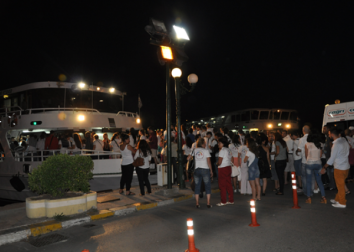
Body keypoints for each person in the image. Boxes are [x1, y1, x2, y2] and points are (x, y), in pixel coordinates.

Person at [321, 128, 350, 208]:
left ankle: (342, 203)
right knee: (340, 184)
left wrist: (324, 167)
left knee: (340, 186)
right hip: (346, 166)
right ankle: (337, 199)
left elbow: (332, 158)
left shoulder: (336, 144)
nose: (329, 135)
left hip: (339, 167)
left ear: (332, 135)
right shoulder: (344, 140)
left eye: (329, 134)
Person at [188, 138, 213, 208]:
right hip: (205, 170)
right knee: (208, 187)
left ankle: (197, 203)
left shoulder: (194, 150)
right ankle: (208, 203)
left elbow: (188, 158)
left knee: (197, 187)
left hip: (197, 170)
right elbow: (209, 162)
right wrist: (211, 170)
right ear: (202, 144)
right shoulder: (206, 151)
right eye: (205, 143)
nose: (205, 144)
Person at [305, 130, 327, 204]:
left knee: (308, 181)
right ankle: (323, 197)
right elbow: (320, 155)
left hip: (309, 164)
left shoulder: (307, 144)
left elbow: (306, 155)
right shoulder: (320, 144)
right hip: (318, 164)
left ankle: (309, 198)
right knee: (319, 181)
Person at [216, 137, 234, 206]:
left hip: (222, 168)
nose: (218, 144)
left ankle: (223, 201)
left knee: (222, 185)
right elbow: (232, 159)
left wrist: (216, 163)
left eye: (219, 143)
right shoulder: (229, 150)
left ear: (222, 143)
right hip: (228, 167)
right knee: (229, 184)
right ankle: (231, 200)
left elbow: (220, 162)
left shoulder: (222, 150)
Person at [296, 125, 312, 195]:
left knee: (304, 177)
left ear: (303, 131)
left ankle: (306, 191)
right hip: (312, 160)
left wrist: (296, 151)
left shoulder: (302, 139)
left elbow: (299, 149)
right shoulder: (312, 138)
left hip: (304, 160)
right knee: (311, 176)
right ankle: (312, 190)